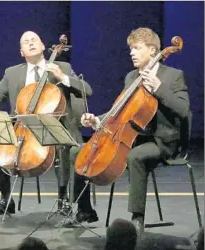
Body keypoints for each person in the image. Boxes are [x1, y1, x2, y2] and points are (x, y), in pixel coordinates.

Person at [81, 27, 190, 236]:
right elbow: (120, 111)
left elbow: (183, 110)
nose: (131, 52)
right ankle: (81, 210)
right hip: (135, 137)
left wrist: (159, 88)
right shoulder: (131, 77)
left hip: (163, 141)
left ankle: (137, 219)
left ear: (152, 50)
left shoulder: (173, 76)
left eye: (137, 48)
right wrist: (97, 120)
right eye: (130, 48)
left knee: (135, 157)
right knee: (81, 151)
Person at [0, 31, 97, 223]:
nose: (30, 43)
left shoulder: (62, 67)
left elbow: (88, 90)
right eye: (26, 42)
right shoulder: (12, 73)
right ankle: (5, 199)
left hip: (57, 127)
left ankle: (64, 199)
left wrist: (63, 77)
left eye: (34, 40)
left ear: (43, 46)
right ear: (22, 52)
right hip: (24, 129)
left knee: (65, 146)